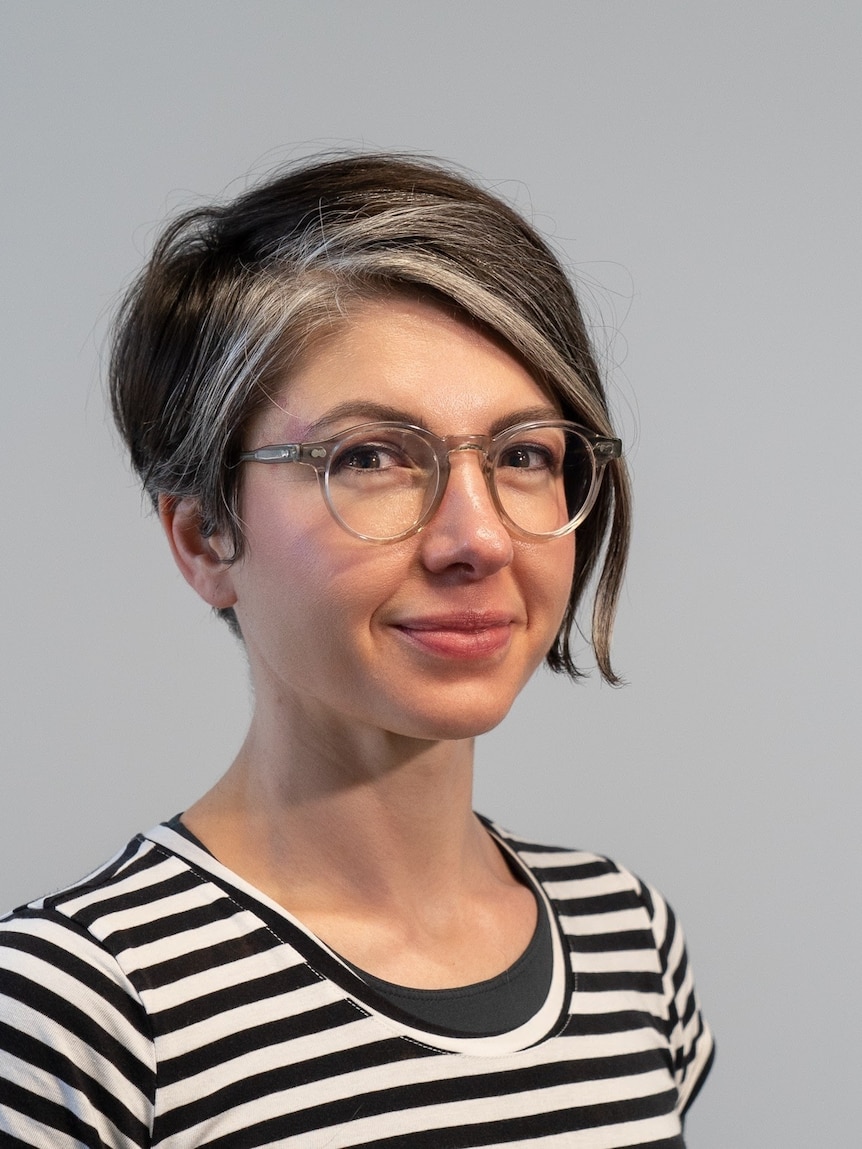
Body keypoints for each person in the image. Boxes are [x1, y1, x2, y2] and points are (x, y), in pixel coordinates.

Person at [0, 153, 713, 1147]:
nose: (480, 538)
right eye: (369, 458)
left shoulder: (627, 939)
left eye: (521, 455)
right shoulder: (80, 1011)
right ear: (205, 535)